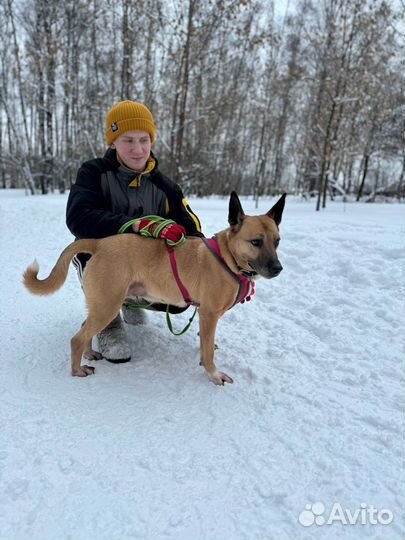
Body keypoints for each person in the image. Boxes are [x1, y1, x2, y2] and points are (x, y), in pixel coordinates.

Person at [66, 100, 203, 363]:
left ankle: (128, 301)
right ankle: (107, 320)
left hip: (147, 265)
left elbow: (194, 232)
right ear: (113, 141)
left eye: (144, 139)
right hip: (103, 260)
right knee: (89, 254)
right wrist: (135, 225)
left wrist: (217, 273)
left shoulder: (167, 188)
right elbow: (78, 217)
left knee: (180, 299)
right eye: (128, 140)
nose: (138, 149)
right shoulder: (93, 173)